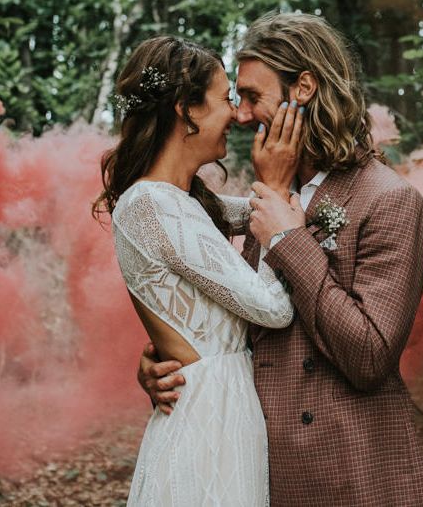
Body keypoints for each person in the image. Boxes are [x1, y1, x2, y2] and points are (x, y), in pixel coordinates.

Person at [139, 13, 423, 506]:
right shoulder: (268, 196)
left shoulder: (390, 200)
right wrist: (170, 358)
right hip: (258, 470)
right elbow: (245, 321)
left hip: (351, 476)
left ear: (303, 88)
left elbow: (369, 357)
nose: (239, 115)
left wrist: (288, 240)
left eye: (253, 97)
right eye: (236, 98)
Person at [94, 35, 308, 506]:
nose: (236, 114)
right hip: (210, 420)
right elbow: (273, 308)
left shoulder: (181, 202)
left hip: (224, 409)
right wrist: (274, 185)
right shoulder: (151, 205)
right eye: (227, 99)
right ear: (185, 110)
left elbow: (250, 214)